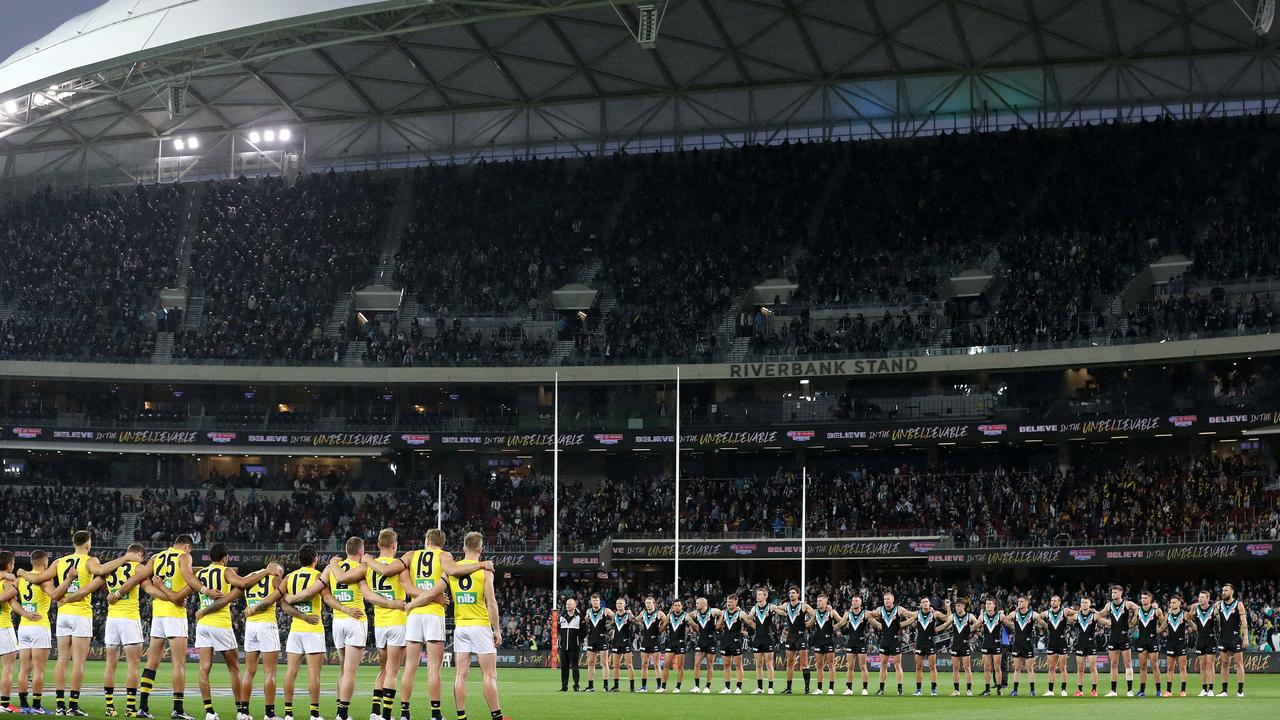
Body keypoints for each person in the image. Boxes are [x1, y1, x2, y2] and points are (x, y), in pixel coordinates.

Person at [361, 528, 489, 720]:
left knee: (409, 667)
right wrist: (481, 565)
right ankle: (435, 714)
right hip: (433, 615)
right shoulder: (444, 555)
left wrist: (369, 560)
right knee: (433, 668)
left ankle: (404, 713)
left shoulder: (411, 555)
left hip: (413, 615)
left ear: (426, 540)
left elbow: (399, 580)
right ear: (441, 543)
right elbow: (454, 571)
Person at [20, 530, 135, 718]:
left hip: (63, 614)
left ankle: (59, 706)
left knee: (62, 660)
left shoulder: (59, 562)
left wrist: (21, 571)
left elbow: (35, 578)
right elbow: (102, 571)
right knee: (78, 662)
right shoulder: (90, 561)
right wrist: (125, 558)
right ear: (88, 544)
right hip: (80, 613)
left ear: (73, 543)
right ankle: (73, 705)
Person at [283, 541, 374, 720]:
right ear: (361, 551)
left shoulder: (332, 568)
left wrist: (291, 597)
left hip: (337, 622)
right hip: (354, 619)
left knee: (342, 670)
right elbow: (367, 591)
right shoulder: (361, 567)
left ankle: (290, 713)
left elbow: (313, 592)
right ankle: (341, 714)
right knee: (348, 672)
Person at [136, 534, 221, 720]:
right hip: (174, 615)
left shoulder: (156, 558)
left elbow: (141, 578)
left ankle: (142, 707)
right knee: (178, 664)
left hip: (158, 614)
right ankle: (178, 710)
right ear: (187, 547)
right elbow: (189, 578)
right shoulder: (184, 557)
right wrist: (206, 590)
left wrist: (154, 590)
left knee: (152, 663)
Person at [194, 544, 278, 720]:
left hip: (202, 625)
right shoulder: (225, 571)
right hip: (220, 624)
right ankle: (241, 710)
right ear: (225, 558)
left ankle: (209, 711)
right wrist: (266, 571)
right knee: (234, 668)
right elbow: (243, 583)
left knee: (204, 668)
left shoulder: (201, 573)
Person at [447, 531, 507, 720]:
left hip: (461, 626)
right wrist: (496, 629)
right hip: (480, 626)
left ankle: (461, 717)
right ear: (481, 550)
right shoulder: (485, 571)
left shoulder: (453, 569)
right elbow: (491, 603)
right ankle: (497, 716)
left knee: (460, 675)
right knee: (489, 675)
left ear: (464, 547)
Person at [15, 550, 72, 715]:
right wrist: (68, 579)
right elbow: (55, 595)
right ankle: (37, 706)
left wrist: (24, 613)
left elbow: (11, 599)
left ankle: (24, 705)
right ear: (45, 563)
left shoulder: (21, 579)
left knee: (24, 669)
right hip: (39, 625)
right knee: (39, 669)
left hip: (24, 626)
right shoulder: (45, 580)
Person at [99, 545, 148, 718]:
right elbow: (145, 585)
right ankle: (130, 708)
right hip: (129, 618)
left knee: (110, 665)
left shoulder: (111, 567)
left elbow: (101, 584)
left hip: (112, 619)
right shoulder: (138, 567)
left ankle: (109, 707)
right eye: (142, 557)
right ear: (139, 554)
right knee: (133, 665)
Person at [366, 530, 409, 719]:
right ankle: (387, 714)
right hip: (397, 621)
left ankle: (375, 712)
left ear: (378, 545)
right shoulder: (398, 566)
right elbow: (410, 588)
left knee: (383, 669)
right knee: (393, 671)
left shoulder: (368, 567)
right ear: (395, 545)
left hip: (380, 624)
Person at [280, 545, 327, 720]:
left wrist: (300, 615)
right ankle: (314, 714)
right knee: (314, 674)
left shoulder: (289, 578)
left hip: (295, 629)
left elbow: (283, 604)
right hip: (313, 628)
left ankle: (288, 714)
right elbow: (327, 597)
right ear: (316, 558)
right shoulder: (318, 577)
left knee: (291, 672)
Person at [241, 562, 286, 720]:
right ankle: (270, 714)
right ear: (276, 570)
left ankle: (243, 712)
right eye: (280, 572)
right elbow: (283, 597)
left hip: (250, 625)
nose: (280, 575)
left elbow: (241, 584)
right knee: (270, 672)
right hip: (266, 625)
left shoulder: (250, 577)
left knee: (248, 671)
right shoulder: (275, 579)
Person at [2, 551, 42, 715]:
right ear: (10, 565)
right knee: (8, 668)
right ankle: (4, 704)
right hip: (3, 627)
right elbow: (10, 598)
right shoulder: (6, 582)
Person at [867, 590, 911, 696]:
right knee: (883, 665)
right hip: (885, 641)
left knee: (897, 665)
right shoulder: (880, 609)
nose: (886, 601)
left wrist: (903, 624)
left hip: (895, 641)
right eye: (885, 599)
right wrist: (878, 624)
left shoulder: (898, 609)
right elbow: (868, 615)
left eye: (888, 599)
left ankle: (900, 689)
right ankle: (881, 689)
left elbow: (914, 615)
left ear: (893, 600)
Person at [1067, 596, 1107, 697]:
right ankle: (1080, 690)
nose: (1084, 604)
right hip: (1080, 644)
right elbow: (1066, 618)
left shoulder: (1094, 615)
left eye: (1086, 602)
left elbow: (1105, 619)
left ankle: (1094, 690)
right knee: (1080, 669)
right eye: (1082, 602)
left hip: (1091, 644)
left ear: (1090, 604)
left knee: (1093, 668)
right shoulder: (1077, 615)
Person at [772, 587, 810, 695]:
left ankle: (806, 689)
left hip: (801, 636)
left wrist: (809, 623)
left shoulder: (803, 606)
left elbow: (814, 614)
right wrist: (772, 608)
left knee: (804, 663)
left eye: (793, 593)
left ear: (798, 594)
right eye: (790, 593)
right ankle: (788, 688)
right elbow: (775, 608)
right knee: (789, 663)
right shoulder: (786, 606)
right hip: (790, 637)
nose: (791, 595)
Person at [1103, 585, 1138, 697]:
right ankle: (1113, 691)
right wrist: (1106, 622)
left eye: (1116, 592)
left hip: (1124, 637)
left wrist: (1133, 620)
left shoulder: (1127, 604)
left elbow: (1138, 609)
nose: (1113, 594)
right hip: (1113, 638)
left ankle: (1129, 690)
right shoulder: (1109, 605)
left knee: (1128, 663)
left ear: (1121, 593)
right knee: (1113, 664)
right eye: (1112, 592)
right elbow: (1099, 615)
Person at [804, 594, 840, 696]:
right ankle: (819, 689)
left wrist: (834, 627)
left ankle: (831, 688)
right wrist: (798, 625)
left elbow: (842, 621)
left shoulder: (831, 612)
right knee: (819, 666)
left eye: (820, 601)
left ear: (825, 602)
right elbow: (810, 623)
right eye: (817, 601)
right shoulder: (815, 613)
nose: (818, 602)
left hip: (828, 642)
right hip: (818, 642)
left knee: (831, 665)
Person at [1216, 583, 1248, 697]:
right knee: (1224, 664)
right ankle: (1224, 691)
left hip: (1235, 638)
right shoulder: (1219, 605)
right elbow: (1206, 607)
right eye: (1223, 590)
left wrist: (1245, 638)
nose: (1224, 592)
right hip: (1223, 638)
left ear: (1232, 592)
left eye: (1226, 590)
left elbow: (1244, 623)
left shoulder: (1238, 604)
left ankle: (1240, 691)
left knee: (1239, 664)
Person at [1001, 595, 1037, 697]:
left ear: (1027, 603)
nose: (1019, 603)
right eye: (1018, 601)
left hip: (1028, 644)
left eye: (1021, 601)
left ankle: (1033, 690)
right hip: (1017, 644)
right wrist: (1013, 625)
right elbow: (1004, 620)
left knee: (1030, 668)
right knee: (1017, 669)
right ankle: (1015, 690)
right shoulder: (1014, 613)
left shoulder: (1032, 613)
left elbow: (1040, 618)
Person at [1131, 590, 1164, 697]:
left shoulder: (1156, 611)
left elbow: (1164, 623)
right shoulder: (1138, 611)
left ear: (1150, 599)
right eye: (1142, 598)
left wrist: (1158, 631)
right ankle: (1142, 690)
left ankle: (1159, 690)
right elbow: (1132, 624)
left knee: (1155, 665)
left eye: (1145, 598)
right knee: (1143, 666)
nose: (1143, 600)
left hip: (1152, 641)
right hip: (1141, 641)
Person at [942, 598, 977, 696]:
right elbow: (946, 624)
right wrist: (948, 607)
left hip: (965, 645)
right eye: (956, 606)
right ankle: (956, 690)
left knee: (967, 667)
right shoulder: (953, 616)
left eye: (959, 605)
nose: (957, 607)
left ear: (964, 606)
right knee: (955, 668)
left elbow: (978, 624)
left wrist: (973, 630)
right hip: (955, 645)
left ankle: (969, 689)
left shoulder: (970, 616)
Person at [912, 596, 945, 696]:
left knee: (932, 666)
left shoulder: (935, 613)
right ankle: (918, 690)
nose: (925, 603)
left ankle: (933, 689)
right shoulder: (917, 614)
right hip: (920, 643)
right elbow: (907, 617)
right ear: (920, 604)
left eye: (927, 601)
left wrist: (948, 607)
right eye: (923, 602)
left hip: (930, 643)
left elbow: (948, 618)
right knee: (918, 667)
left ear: (929, 603)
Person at [717, 594, 749, 695]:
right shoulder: (724, 613)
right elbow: (718, 626)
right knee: (726, 665)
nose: (728, 604)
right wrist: (717, 620)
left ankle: (739, 687)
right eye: (727, 602)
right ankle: (727, 687)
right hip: (725, 641)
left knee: (738, 666)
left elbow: (749, 621)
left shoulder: (740, 613)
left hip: (735, 642)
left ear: (736, 602)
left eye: (731, 602)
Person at [1038, 595, 1070, 697]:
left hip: (1061, 642)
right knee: (1051, 668)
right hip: (1051, 642)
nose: (1053, 602)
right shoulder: (1047, 613)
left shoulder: (1064, 611)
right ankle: (1050, 690)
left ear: (1059, 602)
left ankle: (1063, 689)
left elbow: (1075, 613)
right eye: (1052, 601)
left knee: (1063, 668)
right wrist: (1045, 625)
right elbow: (1038, 616)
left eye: (1055, 601)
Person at [1189, 589, 1219, 696]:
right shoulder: (1196, 609)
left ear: (1208, 598)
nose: (1200, 599)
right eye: (1199, 597)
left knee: (1210, 665)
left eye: (1202, 597)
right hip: (1200, 640)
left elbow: (1220, 618)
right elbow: (1188, 618)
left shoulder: (1213, 609)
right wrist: (1192, 610)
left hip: (1211, 639)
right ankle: (1204, 689)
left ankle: (1211, 689)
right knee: (1202, 665)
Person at [746, 588, 776, 695]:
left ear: (765, 596)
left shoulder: (770, 606)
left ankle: (770, 687)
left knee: (769, 664)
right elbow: (748, 618)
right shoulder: (754, 608)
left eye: (760, 595)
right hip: (758, 639)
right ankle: (759, 688)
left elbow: (781, 611)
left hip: (768, 638)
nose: (757, 596)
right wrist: (754, 626)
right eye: (757, 594)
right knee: (758, 664)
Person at [688, 597, 720, 694]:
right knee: (697, 664)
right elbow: (687, 616)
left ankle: (707, 687)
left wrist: (719, 623)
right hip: (701, 640)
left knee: (710, 665)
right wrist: (693, 625)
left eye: (697, 603)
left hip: (711, 641)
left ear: (703, 604)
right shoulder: (695, 613)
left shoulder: (712, 611)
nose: (696, 605)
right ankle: (697, 686)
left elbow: (723, 613)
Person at [659, 598, 690, 694]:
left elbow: (692, 624)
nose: (677, 607)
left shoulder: (685, 615)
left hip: (681, 643)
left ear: (681, 606)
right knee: (666, 665)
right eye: (675, 605)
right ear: (672, 606)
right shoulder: (669, 616)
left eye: (679, 605)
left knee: (680, 667)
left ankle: (678, 687)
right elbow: (661, 629)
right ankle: (663, 687)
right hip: (671, 643)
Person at [843, 595, 872, 696]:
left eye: (856, 601)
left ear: (860, 603)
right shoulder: (848, 614)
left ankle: (864, 688)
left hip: (861, 642)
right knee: (850, 666)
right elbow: (842, 623)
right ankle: (849, 688)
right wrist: (832, 627)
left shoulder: (865, 613)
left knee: (863, 666)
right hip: (851, 642)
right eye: (853, 601)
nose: (854, 602)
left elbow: (875, 619)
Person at [635, 596, 665, 692]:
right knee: (644, 664)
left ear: (654, 604)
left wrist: (661, 629)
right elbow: (636, 620)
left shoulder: (658, 613)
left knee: (656, 665)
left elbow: (667, 620)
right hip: (645, 641)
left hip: (655, 640)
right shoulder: (643, 613)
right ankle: (643, 687)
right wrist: (630, 615)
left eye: (650, 602)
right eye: (646, 603)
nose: (648, 604)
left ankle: (659, 687)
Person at [1161, 594, 1190, 697]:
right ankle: (1168, 691)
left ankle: (1183, 690)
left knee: (1182, 667)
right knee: (1170, 667)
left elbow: (1192, 625)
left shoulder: (1184, 614)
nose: (1172, 604)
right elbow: (1161, 629)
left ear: (1179, 603)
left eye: (1174, 602)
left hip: (1181, 643)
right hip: (1171, 643)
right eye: (1171, 602)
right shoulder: (1168, 615)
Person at [582, 595, 610, 693]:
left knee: (604, 663)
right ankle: (590, 686)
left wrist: (609, 627)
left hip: (602, 639)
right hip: (592, 639)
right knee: (590, 663)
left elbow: (617, 617)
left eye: (597, 600)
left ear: (599, 601)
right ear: (591, 602)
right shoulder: (588, 611)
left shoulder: (605, 610)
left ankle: (606, 685)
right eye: (593, 601)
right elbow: (585, 621)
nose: (595, 602)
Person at [607, 598, 636, 693]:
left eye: (620, 603)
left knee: (629, 665)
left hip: (626, 642)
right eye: (617, 603)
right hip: (616, 642)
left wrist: (631, 615)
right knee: (615, 666)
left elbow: (636, 622)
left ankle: (632, 687)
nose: (619, 605)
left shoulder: (628, 615)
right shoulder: (614, 616)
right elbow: (610, 626)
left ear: (624, 605)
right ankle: (616, 686)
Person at [976, 598, 1004, 696]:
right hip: (986, 643)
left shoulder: (1000, 615)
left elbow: (1008, 623)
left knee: (997, 667)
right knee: (986, 668)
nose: (987, 605)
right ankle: (987, 689)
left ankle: (999, 688)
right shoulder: (982, 616)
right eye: (986, 604)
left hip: (996, 644)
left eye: (989, 604)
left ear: (994, 605)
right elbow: (975, 626)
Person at [557, 597, 582, 693]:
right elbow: (560, 629)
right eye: (567, 604)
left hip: (574, 646)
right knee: (564, 667)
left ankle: (576, 685)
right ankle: (564, 686)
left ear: (575, 605)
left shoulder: (579, 616)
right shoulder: (562, 616)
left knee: (575, 667)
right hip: (563, 646)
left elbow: (583, 631)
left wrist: (577, 640)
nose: (567, 606)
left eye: (569, 604)